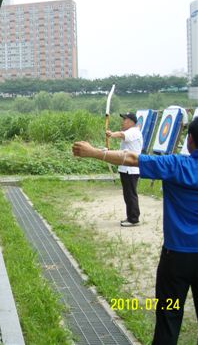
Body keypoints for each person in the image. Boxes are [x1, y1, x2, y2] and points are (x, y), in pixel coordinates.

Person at [72, 117, 198, 345]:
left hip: (177, 258)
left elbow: (131, 158)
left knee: (169, 317)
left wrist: (92, 152)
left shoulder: (178, 165)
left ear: (190, 140)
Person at [106, 112, 143, 226]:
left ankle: (134, 219)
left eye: (125, 120)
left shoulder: (134, 131)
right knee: (128, 194)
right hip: (126, 168)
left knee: (130, 194)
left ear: (131, 122)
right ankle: (130, 217)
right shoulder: (130, 132)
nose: (123, 122)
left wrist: (111, 134)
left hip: (131, 169)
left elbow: (122, 135)